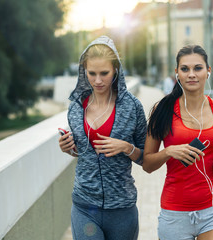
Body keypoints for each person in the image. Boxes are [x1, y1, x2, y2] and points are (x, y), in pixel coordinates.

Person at [58, 35, 147, 240]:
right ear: (84, 71)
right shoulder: (76, 107)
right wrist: (69, 148)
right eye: (92, 73)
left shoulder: (132, 107)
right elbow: (83, 154)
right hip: (84, 206)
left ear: (116, 70)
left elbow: (146, 158)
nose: (98, 80)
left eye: (104, 73)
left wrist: (126, 147)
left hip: (122, 209)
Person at [143, 45, 213, 240]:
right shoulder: (162, 110)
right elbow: (147, 164)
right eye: (185, 69)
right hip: (175, 213)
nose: (191, 74)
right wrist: (169, 152)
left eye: (198, 68)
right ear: (177, 73)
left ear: (208, 71)